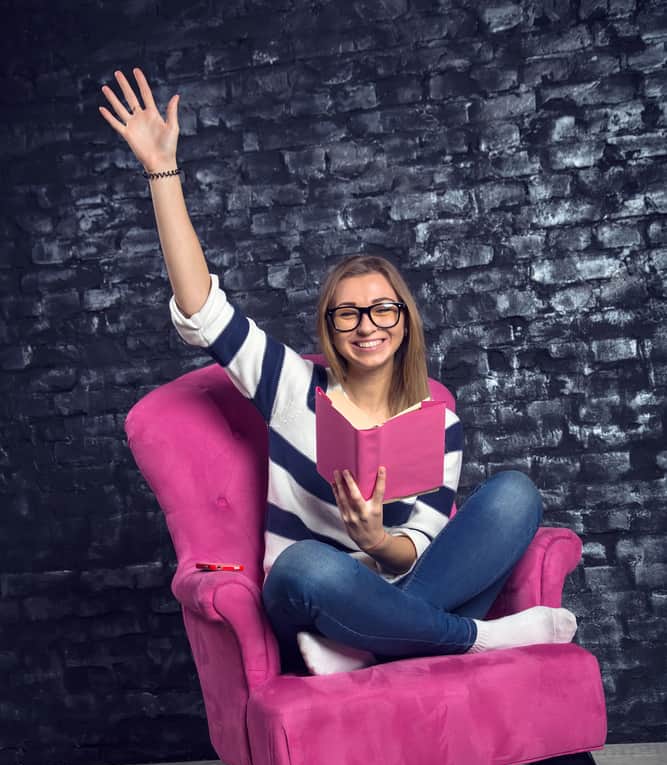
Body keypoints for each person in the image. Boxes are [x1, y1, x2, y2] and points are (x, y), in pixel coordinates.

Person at [99, 68, 578, 676]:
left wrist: (376, 539)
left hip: (386, 595)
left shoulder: (439, 423)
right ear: (330, 326)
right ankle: (473, 638)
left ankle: (360, 652)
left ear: (403, 320)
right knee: (309, 565)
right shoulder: (290, 387)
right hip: (310, 600)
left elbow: (423, 546)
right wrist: (161, 172)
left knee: (515, 495)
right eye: (346, 312)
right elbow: (202, 309)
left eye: (382, 308)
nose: (366, 323)